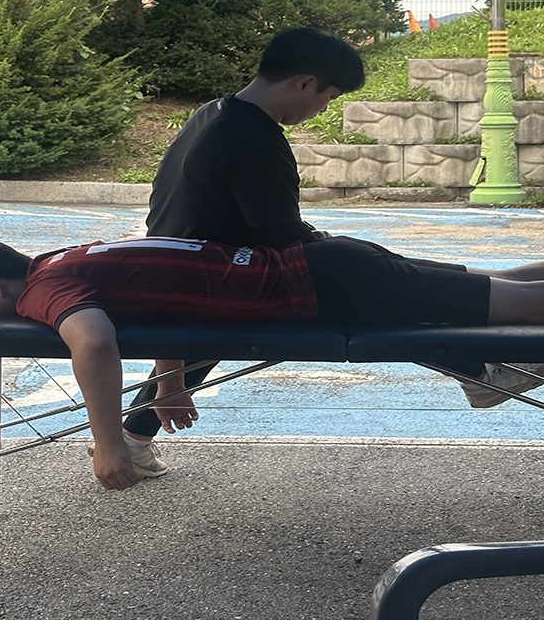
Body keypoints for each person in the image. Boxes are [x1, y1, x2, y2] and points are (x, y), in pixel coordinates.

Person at [0, 233, 544, 491]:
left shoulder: (43, 289)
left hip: (332, 285)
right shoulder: (69, 256)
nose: (8, 320)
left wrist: (109, 441)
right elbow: (169, 302)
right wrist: (170, 380)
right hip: (330, 265)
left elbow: (94, 339)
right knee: (509, 286)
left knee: (532, 303)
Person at [117, 27, 367, 477]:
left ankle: (132, 440)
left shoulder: (212, 113)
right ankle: (476, 365)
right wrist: (335, 251)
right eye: (328, 98)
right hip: (213, 283)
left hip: (178, 270)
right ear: (305, 83)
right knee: (374, 289)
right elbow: (281, 235)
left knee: (209, 329)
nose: (323, 109)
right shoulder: (254, 137)